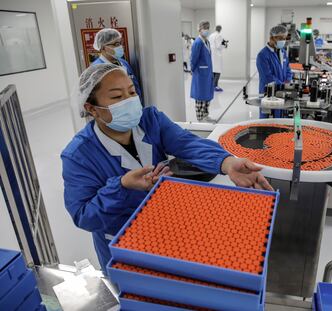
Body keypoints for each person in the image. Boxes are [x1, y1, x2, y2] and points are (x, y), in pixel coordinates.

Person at [61, 63, 273, 273]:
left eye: (132, 92)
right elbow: (84, 215)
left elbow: (186, 143)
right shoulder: (78, 155)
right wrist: (122, 187)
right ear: (92, 109)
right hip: (122, 243)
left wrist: (226, 163)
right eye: (117, 97)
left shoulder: (150, 120)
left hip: (167, 227)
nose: (129, 101)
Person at [92, 28, 142, 100]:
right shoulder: (97, 69)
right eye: (116, 44)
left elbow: (135, 87)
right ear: (103, 48)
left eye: (120, 43)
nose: (120, 47)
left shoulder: (124, 63)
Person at [256, 25, 292, 118]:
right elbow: (267, 77)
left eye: (284, 38)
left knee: (280, 120)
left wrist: (288, 81)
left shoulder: (283, 52)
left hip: (281, 92)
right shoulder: (262, 55)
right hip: (267, 93)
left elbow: (288, 68)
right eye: (280, 38)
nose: (282, 41)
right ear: (271, 38)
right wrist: (282, 85)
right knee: (267, 122)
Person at [190, 21, 215, 122]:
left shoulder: (207, 42)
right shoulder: (198, 42)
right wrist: (193, 70)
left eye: (208, 27)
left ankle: (206, 115)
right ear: (199, 29)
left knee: (206, 96)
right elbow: (193, 58)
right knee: (200, 97)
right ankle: (200, 118)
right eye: (204, 27)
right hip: (200, 74)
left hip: (207, 74)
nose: (206, 29)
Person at [209, 25, 226, 92]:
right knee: (218, 71)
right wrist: (224, 44)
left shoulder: (211, 35)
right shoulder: (219, 36)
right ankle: (215, 86)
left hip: (212, 55)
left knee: (213, 70)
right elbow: (219, 46)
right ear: (220, 29)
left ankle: (212, 85)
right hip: (217, 55)